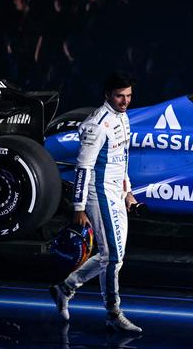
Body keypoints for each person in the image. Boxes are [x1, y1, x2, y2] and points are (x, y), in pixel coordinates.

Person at [50, 72, 141, 333]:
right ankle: (113, 313)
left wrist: (128, 192)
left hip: (115, 192)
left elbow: (121, 159)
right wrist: (78, 207)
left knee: (114, 256)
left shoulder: (123, 118)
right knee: (112, 257)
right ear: (107, 95)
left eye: (129, 96)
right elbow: (83, 167)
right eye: (119, 96)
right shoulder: (96, 125)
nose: (125, 101)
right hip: (96, 192)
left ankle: (64, 288)